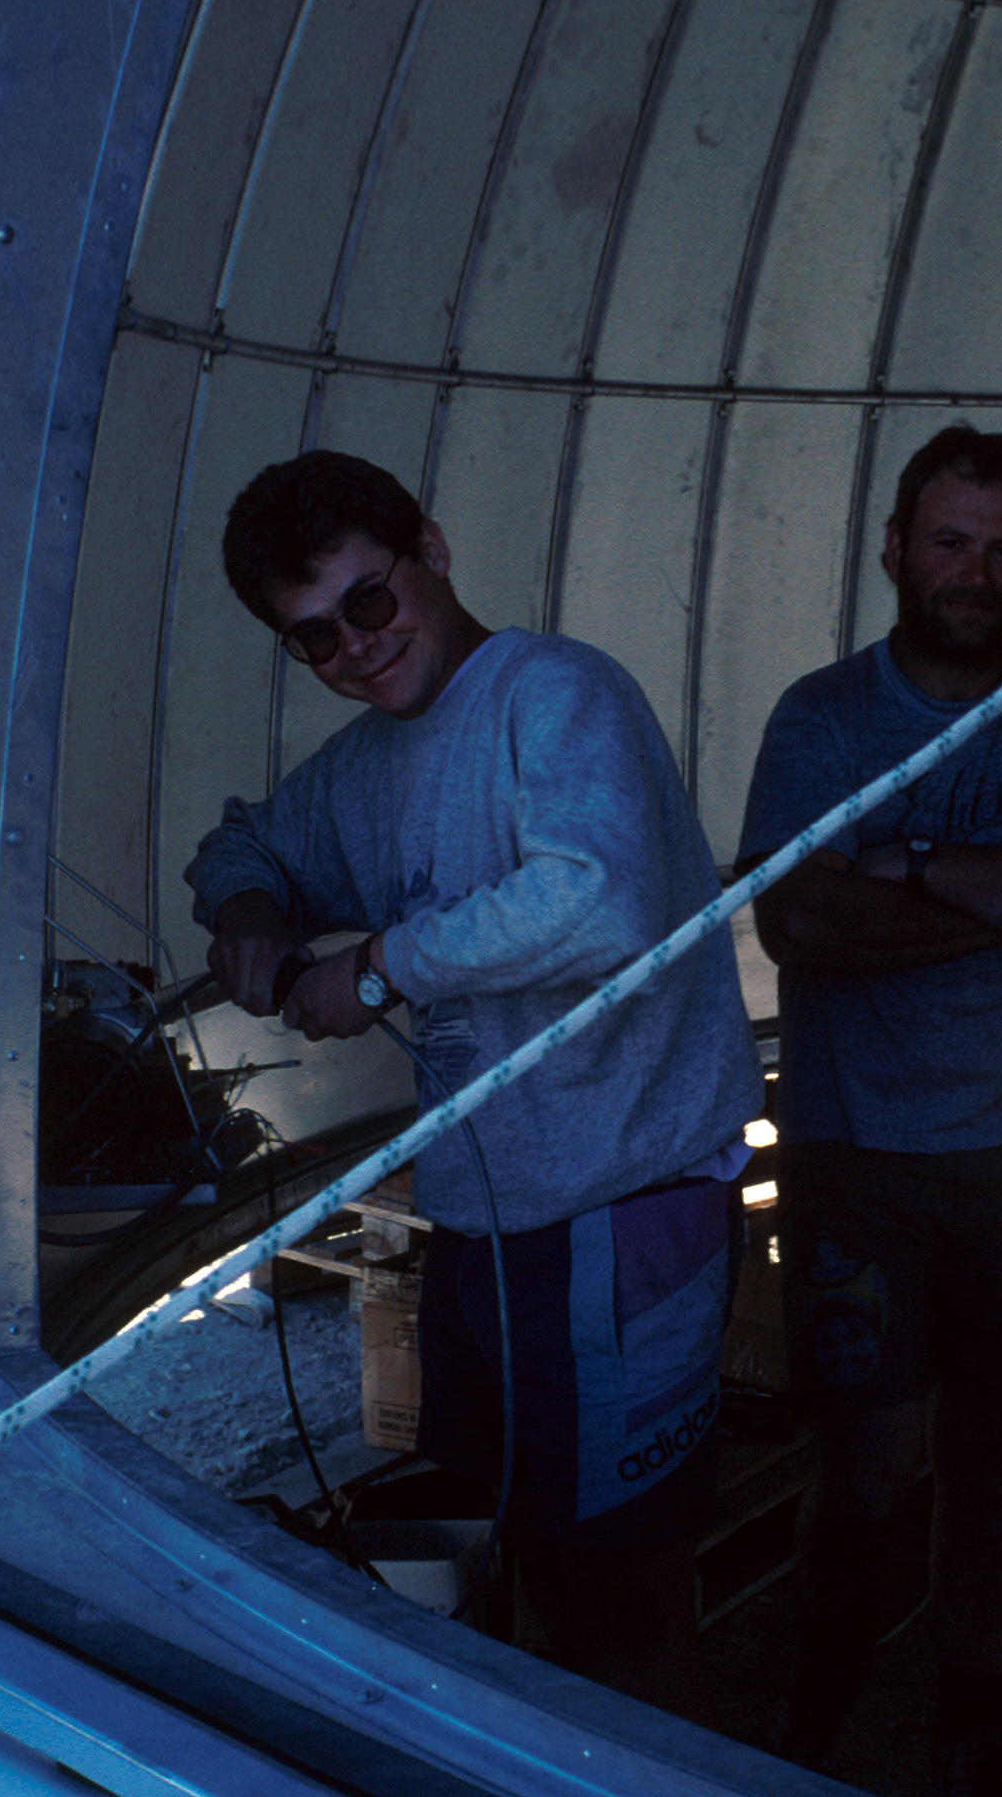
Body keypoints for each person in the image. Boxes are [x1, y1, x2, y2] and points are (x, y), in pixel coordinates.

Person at [188, 450, 762, 1709]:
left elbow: (596, 898)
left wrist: (376, 968)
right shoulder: (364, 765)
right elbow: (242, 843)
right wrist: (249, 916)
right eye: (315, 635)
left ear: (433, 552)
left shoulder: (554, 694)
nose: (356, 645)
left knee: (630, 1588)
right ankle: (573, 1788)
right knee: (529, 1547)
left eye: (370, 598)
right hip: (484, 1225)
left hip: (622, 1212)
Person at [738, 424, 1002, 1797]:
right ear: (894, 550)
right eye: (951, 542)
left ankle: (977, 1723)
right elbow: (801, 921)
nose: (976, 573)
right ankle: (822, 1701)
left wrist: (911, 864)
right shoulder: (821, 719)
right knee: (866, 1468)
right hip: (857, 1158)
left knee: (989, 1465)